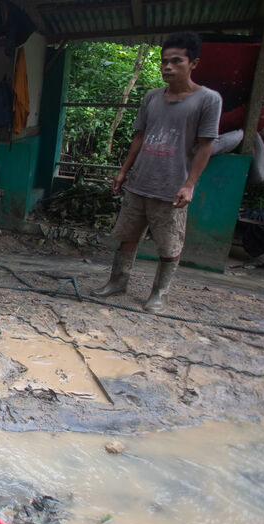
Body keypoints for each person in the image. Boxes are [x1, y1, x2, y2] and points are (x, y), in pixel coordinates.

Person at [92, 31, 221, 313]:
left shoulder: (208, 100)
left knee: (169, 243)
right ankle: (117, 282)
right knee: (128, 235)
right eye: (164, 61)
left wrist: (189, 185)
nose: (167, 67)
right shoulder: (152, 98)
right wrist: (124, 171)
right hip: (140, 181)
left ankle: (159, 293)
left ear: (194, 63)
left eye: (176, 61)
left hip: (172, 186)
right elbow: (138, 137)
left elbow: (205, 145)